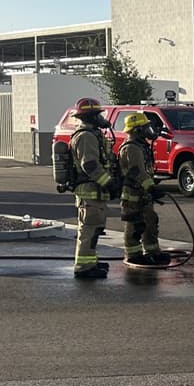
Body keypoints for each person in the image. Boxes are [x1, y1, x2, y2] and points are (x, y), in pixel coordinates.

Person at [69, 98, 116, 279]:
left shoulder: (93, 134)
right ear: (90, 116)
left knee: (95, 229)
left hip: (95, 191)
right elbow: (90, 165)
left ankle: (90, 262)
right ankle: (83, 267)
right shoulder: (86, 136)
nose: (101, 118)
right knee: (89, 230)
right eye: (98, 115)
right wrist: (108, 182)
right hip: (89, 191)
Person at [117, 112, 169, 266]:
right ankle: (133, 255)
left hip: (143, 192)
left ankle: (152, 252)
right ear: (137, 130)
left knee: (150, 222)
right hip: (132, 194)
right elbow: (136, 171)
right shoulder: (131, 148)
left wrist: (149, 188)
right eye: (146, 127)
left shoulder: (140, 146)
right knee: (134, 225)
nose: (149, 130)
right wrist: (151, 187)